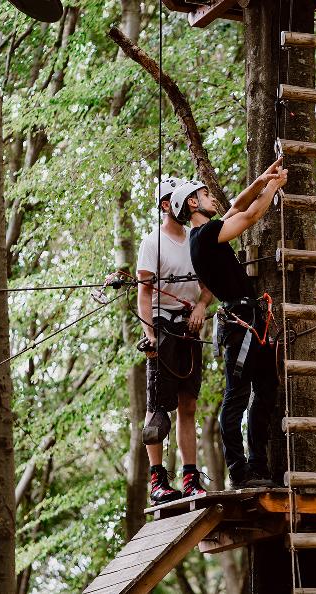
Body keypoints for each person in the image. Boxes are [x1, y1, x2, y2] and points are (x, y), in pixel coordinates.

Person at [170, 158, 287, 489]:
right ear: (193, 203)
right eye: (205, 194)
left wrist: (263, 179)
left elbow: (238, 205)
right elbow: (249, 216)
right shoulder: (203, 236)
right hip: (240, 326)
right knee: (237, 397)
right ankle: (238, 470)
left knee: (265, 391)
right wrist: (274, 188)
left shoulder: (207, 233)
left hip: (253, 321)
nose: (212, 198)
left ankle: (259, 467)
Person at [136, 177, 214, 503]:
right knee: (158, 406)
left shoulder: (196, 238)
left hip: (189, 327)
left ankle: (191, 477)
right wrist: (149, 335)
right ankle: (157, 481)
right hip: (162, 325)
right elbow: (144, 294)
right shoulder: (152, 243)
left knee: (189, 404)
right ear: (167, 205)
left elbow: (210, 281)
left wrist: (201, 305)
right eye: (176, 198)